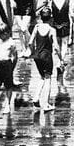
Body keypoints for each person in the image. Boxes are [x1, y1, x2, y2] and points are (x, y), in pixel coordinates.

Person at [29, 7, 57, 135]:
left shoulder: (36, 28)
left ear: (40, 17)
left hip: (37, 55)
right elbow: (55, 47)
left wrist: (32, 51)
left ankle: (36, 97)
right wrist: (61, 59)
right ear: (50, 18)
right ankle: (45, 104)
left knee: (41, 77)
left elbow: (30, 42)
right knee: (48, 79)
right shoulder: (52, 30)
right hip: (47, 56)